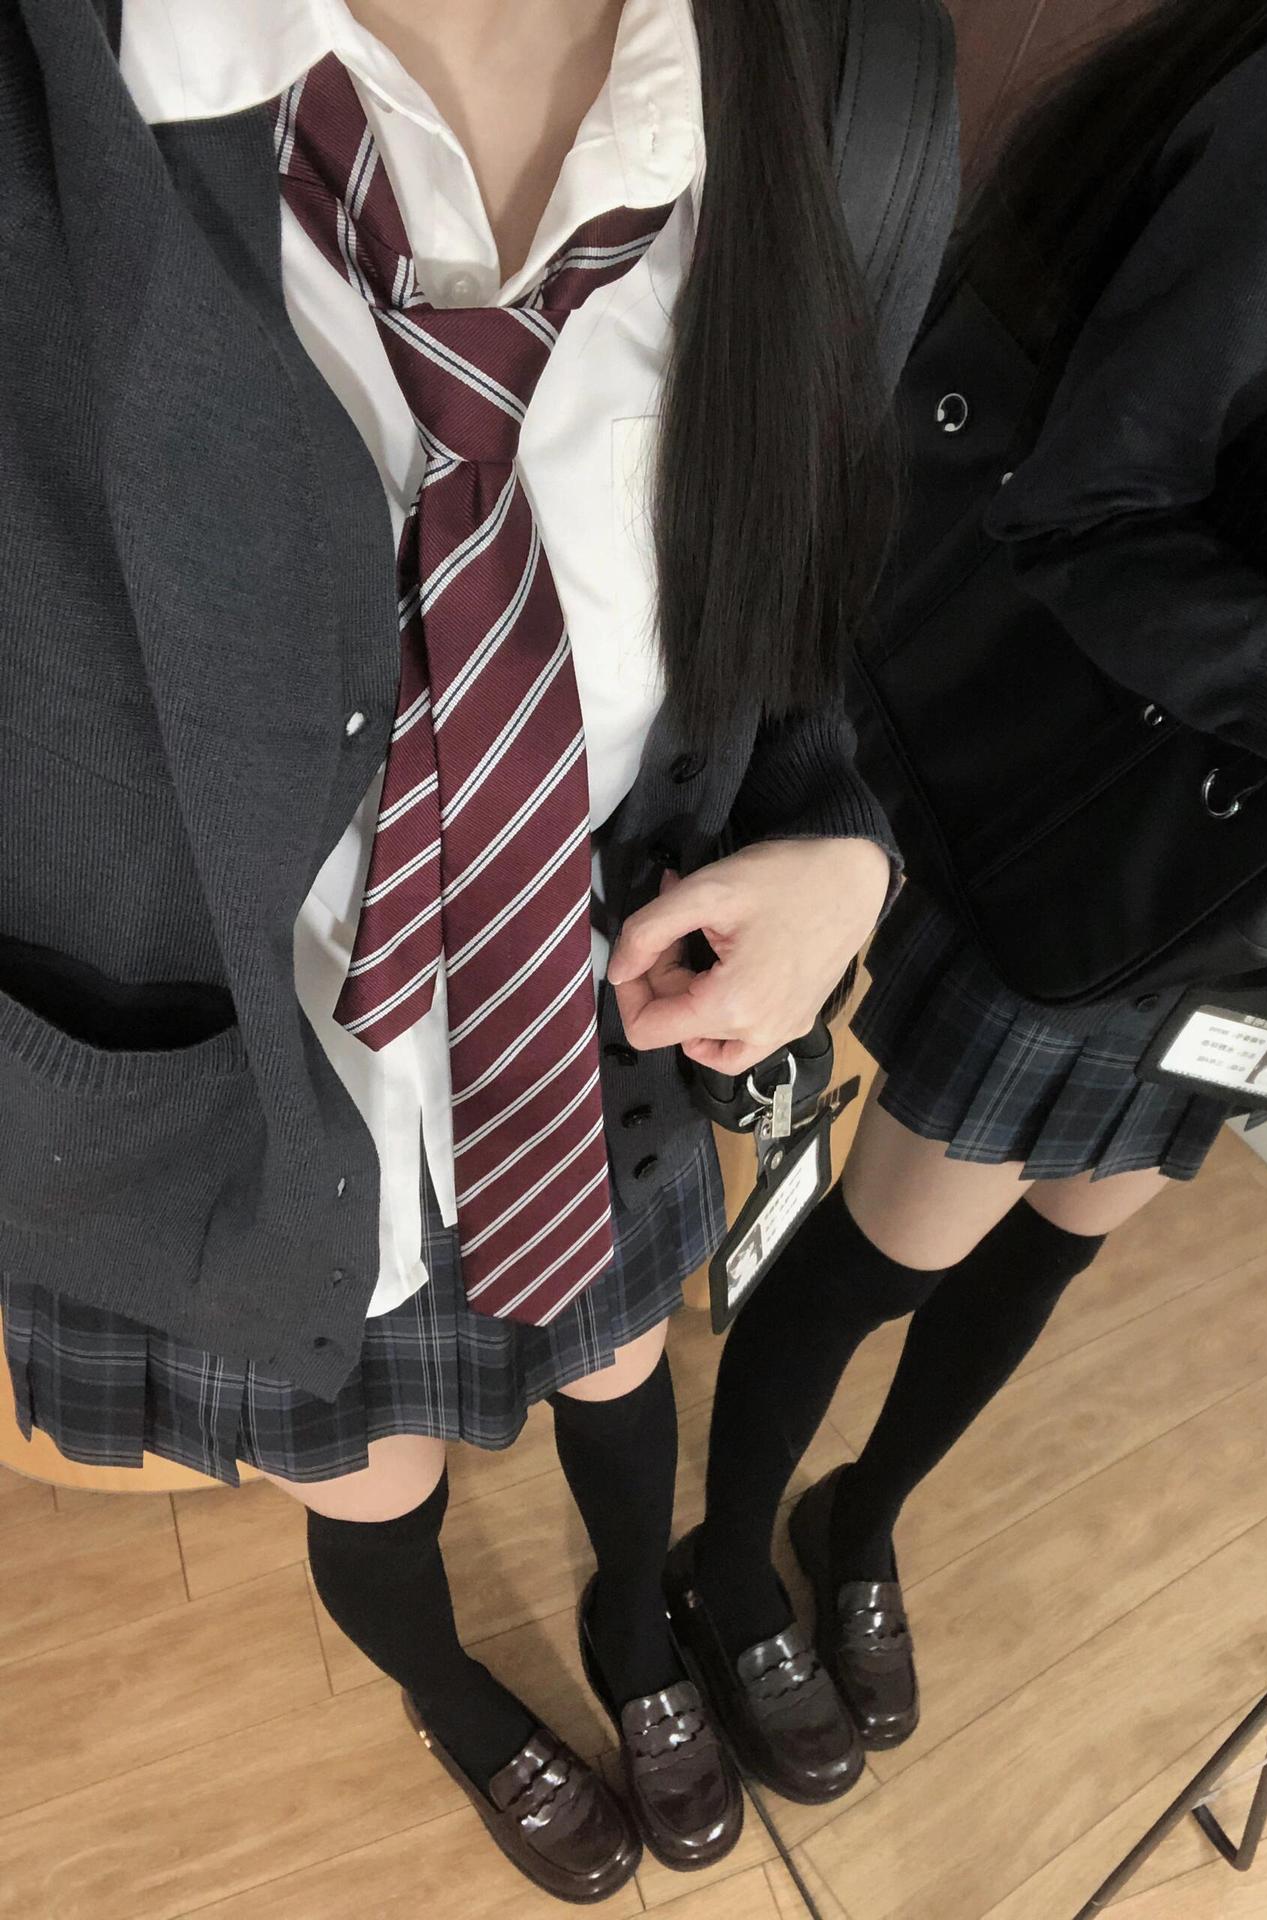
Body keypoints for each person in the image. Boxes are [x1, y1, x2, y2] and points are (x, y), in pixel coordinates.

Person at [0, 0, 953, 1899]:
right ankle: (454, 1697)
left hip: (590, 1017)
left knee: (621, 1382)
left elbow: (824, 563)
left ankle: (636, 1632)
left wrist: (849, 837)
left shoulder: (850, 84)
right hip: (233, 1100)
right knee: (373, 1486)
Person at [671, 0, 1267, 1766]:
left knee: (1064, 1242)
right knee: (896, 1248)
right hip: (1115, 829)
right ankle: (723, 1565)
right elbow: (1087, 510)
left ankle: (858, 1521)